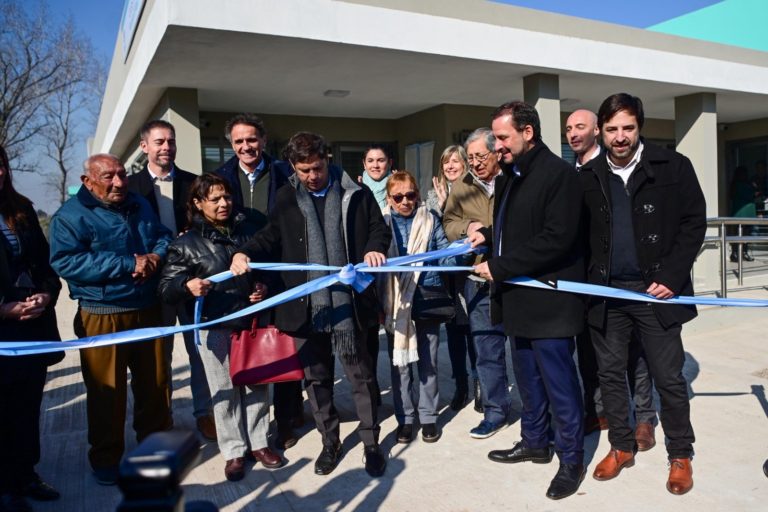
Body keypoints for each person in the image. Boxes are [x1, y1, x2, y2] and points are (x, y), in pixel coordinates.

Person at [230, 131, 391, 478]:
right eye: (303, 170)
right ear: (293, 166)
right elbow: (271, 236)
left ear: (326, 159)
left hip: (350, 306)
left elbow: (380, 230)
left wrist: (373, 248)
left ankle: (371, 443)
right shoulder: (287, 198)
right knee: (316, 382)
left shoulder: (356, 193)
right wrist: (244, 253)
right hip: (306, 309)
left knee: (361, 378)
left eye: (316, 167)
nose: (312, 176)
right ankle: (329, 443)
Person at [579, 93, 706, 495]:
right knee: (611, 374)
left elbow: (694, 222)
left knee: (669, 378)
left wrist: (672, 274)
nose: (620, 137)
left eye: (628, 128)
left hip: (656, 293)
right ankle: (621, 445)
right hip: (608, 293)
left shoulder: (674, 166)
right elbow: (566, 230)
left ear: (640, 128)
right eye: (612, 129)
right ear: (601, 130)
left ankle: (680, 454)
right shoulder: (587, 175)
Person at [474, 101, 586, 500]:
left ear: (528, 133)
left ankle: (571, 458)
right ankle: (535, 441)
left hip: (550, 305)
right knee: (527, 380)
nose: (496, 146)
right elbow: (518, 227)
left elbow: (558, 238)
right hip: (517, 301)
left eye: (502, 138)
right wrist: (486, 235)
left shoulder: (559, 175)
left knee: (559, 385)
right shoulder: (510, 176)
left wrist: (498, 265)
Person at [49, 154, 174, 486]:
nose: (119, 182)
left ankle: (154, 449)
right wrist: (128, 264)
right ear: (88, 181)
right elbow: (67, 262)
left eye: (122, 174)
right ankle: (106, 458)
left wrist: (156, 256)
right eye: (109, 177)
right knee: (108, 393)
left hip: (148, 309)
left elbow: (162, 235)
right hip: (102, 316)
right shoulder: (71, 216)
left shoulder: (139, 204)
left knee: (156, 384)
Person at [158, 174, 283, 482]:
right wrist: (187, 286)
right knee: (224, 390)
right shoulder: (184, 245)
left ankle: (259, 444)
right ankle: (234, 451)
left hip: (252, 323)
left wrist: (262, 287)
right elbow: (165, 288)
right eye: (214, 199)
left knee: (257, 385)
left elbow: (271, 269)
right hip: (215, 329)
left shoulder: (250, 232)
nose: (223, 203)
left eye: (226, 196)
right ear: (198, 204)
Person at [565, 110, 659, 445]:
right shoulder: (570, 175)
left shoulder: (615, 170)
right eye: (568, 129)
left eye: (580, 127)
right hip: (587, 282)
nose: (573, 134)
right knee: (593, 354)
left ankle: (644, 418)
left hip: (628, 280)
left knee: (637, 352)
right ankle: (601, 411)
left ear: (597, 132)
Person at [214, 113, 300, 450]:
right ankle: (243, 431)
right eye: (239, 141)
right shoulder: (220, 177)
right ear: (231, 144)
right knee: (246, 351)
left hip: (282, 272)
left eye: (252, 139)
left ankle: (289, 418)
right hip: (240, 272)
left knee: (284, 344)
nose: (246, 146)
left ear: (263, 140)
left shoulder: (285, 174)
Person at [128, 119, 216, 441]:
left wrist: (192, 237)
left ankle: (205, 414)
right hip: (153, 287)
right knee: (157, 356)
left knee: (200, 352)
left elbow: (210, 225)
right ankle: (161, 415)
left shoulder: (194, 183)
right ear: (144, 147)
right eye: (160, 141)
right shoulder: (131, 187)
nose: (167, 147)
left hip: (193, 283)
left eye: (171, 141)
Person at [0, 145, 62, 512]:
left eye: (2, 167)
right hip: (2, 330)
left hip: (31, 327)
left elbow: (44, 266)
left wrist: (45, 296)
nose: (0, 174)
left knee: (27, 408)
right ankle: (5, 487)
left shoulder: (21, 209)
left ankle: (27, 475)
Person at [379, 171, 461, 444]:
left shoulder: (430, 220)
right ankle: (405, 419)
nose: (405, 201)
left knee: (429, 362)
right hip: (396, 303)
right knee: (400, 366)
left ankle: (428, 418)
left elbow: (444, 258)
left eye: (410, 195)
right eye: (398, 197)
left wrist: (464, 252)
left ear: (417, 194)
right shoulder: (381, 224)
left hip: (428, 298)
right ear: (389, 199)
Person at [443, 128, 511, 436]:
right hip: (478, 278)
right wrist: (467, 226)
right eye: (470, 158)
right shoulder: (462, 185)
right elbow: (448, 221)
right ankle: (495, 411)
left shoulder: (513, 178)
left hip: (516, 277)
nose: (475, 163)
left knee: (526, 349)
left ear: (496, 152)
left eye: (480, 156)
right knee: (486, 347)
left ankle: (539, 409)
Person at [426, 145, 476, 410]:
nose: (450, 166)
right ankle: (461, 385)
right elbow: (432, 232)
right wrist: (442, 205)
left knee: (475, 334)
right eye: (446, 162)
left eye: (456, 161)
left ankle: (481, 386)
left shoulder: (473, 191)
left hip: (471, 274)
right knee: (455, 334)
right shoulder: (433, 195)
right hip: (447, 280)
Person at [358, 144, 394, 405]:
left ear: (389, 162)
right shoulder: (356, 192)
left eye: (380, 160)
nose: (376, 165)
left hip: (394, 274)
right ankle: (372, 390)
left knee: (395, 335)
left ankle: (402, 391)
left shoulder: (401, 188)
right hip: (367, 275)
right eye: (371, 160)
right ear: (364, 163)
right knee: (369, 337)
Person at [729, 165, 757, 262]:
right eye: (744, 173)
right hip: (740, 214)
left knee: (746, 235)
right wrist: (755, 190)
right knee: (739, 234)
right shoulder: (737, 184)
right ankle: (735, 253)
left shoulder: (745, 183)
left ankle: (743, 252)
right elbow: (750, 194)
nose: (745, 175)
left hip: (748, 214)